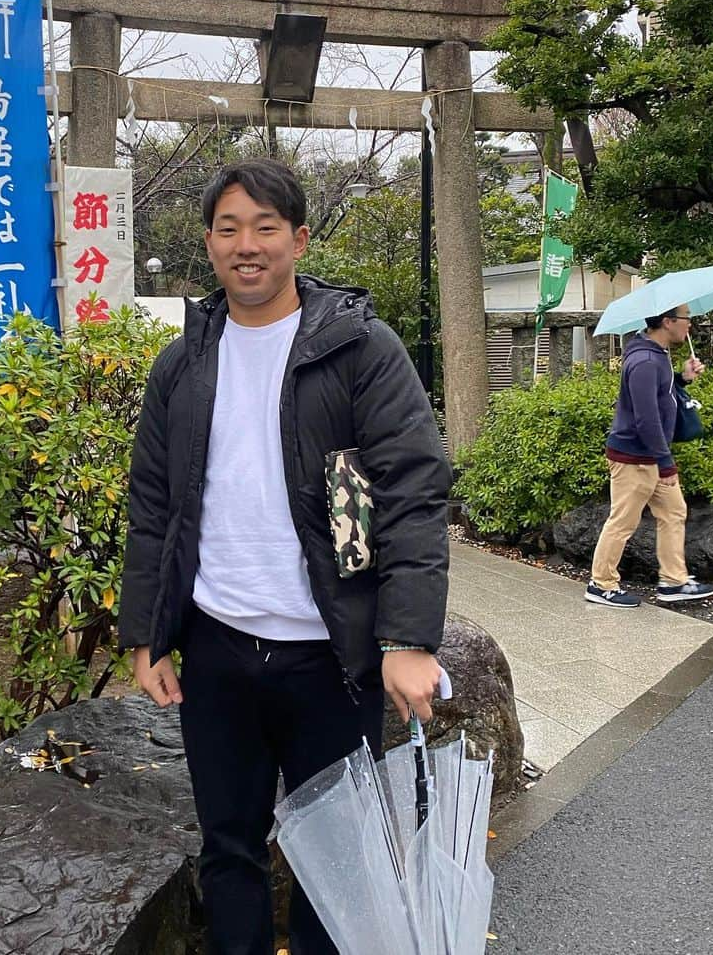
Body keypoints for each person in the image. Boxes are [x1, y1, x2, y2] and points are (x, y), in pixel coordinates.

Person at [117, 158, 451, 955]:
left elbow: (412, 490)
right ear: (208, 243)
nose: (247, 245)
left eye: (266, 227)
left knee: (335, 860)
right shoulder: (183, 365)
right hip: (218, 648)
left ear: (299, 238)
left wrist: (406, 640)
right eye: (229, 228)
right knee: (227, 848)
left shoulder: (359, 350)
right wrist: (148, 633)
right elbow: (154, 504)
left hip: (329, 657)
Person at [587, 304, 713, 608]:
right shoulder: (645, 360)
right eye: (686, 319)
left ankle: (673, 581)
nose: (690, 326)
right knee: (623, 522)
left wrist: (682, 378)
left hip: (649, 456)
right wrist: (666, 463)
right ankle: (601, 583)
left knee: (673, 512)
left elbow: (660, 395)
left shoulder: (655, 353)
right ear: (668, 322)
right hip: (634, 457)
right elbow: (646, 419)